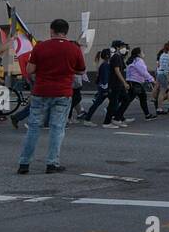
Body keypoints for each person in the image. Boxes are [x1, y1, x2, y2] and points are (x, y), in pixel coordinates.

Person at [16, 19, 86, 175]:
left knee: (34, 128)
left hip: (41, 91)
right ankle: (52, 164)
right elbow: (81, 70)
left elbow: (30, 69)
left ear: (51, 30)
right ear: (66, 31)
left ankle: (24, 163)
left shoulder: (40, 47)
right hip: (62, 93)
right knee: (57, 128)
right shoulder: (74, 48)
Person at [102, 41, 131, 129]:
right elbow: (117, 71)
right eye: (122, 47)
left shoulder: (118, 57)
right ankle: (107, 122)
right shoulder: (116, 57)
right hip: (115, 84)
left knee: (125, 99)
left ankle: (117, 118)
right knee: (113, 103)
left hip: (118, 84)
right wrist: (124, 82)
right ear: (118, 48)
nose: (124, 49)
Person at [81, 48, 113, 125]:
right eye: (111, 53)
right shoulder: (105, 65)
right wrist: (105, 89)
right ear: (108, 55)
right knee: (97, 104)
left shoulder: (105, 64)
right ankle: (87, 119)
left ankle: (115, 116)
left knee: (113, 102)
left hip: (104, 87)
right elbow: (105, 78)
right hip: (104, 88)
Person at [126, 47, 157, 120]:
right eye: (142, 52)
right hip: (135, 83)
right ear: (138, 54)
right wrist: (152, 80)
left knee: (142, 98)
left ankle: (147, 115)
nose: (143, 53)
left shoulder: (133, 60)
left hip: (133, 82)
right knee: (128, 100)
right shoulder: (139, 61)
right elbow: (143, 72)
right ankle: (116, 114)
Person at [154, 42, 169, 115]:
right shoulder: (166, 56)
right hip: (164, 75)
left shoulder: (162, 55)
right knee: (163, 91)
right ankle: (159, 108)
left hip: (161, 74)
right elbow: (165, 68)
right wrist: (168, 78)